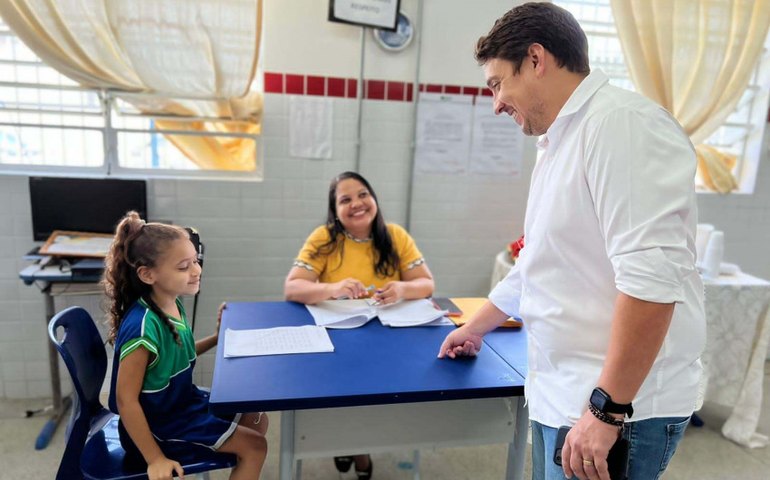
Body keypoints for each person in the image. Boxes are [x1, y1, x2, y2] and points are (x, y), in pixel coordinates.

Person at [438, 3, 705, 480]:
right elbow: (539, 261)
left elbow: (651, 280)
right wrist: (477, 327)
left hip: (619, 407)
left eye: (498, 83)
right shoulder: (562, 140)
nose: (496, 102)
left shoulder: (622, 125)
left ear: (536, 59)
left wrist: (607, 409)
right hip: (562, 393)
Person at [285, 171, 435, 478]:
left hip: (387, 339)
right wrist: (332, 288)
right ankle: (359, 453)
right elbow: (293, 289)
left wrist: (402, 288)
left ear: (374, 198)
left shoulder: (395, 236)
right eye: (345, 199)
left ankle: (353, 447)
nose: (357, 203)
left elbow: (426, 284)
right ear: (336, 211)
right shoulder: (324, 238)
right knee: (344, 394)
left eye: (363, 194)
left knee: (374, 398)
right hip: (336, 339)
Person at [104, 212, 268, 480]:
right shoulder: (143, 329)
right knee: (256, 446)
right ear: (147, 274)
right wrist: (155, 458)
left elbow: (180, 354)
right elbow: (126, 400)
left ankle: (233, 455)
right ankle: (236, 454)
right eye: (183, 266)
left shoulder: (170, 302)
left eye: (196, 261)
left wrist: (218, 337)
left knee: (256, 418)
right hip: (158, 428)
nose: (197, 271)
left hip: (180, 404)